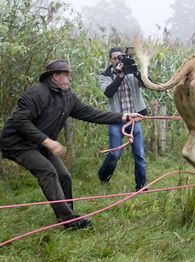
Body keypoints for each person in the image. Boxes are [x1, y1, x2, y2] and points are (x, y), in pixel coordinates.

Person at [0, 60, 143, 229]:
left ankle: (69, 217)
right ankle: (68, 219)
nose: (70, 79)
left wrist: (124, 117)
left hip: (41, 144)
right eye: (66, 76)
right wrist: (48, 142)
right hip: (18, 143)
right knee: (47, 171)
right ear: (55, 77)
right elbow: (20, 121)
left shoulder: (68, 97)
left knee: (64, 176)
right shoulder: (36, 93)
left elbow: (92, 114)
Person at [97, 47, 148, 191]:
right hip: (116, 120)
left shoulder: (132, 73)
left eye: (121, 57)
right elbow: (108, 92)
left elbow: (147, 84)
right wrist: (119, 75)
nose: (118, 60)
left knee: (139, 155)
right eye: (115, 58)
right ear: (110, 60)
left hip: (133, 119)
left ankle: (141, 186)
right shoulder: (105, 76)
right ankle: (103, 176)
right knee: (115, 154)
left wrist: (137, 72)